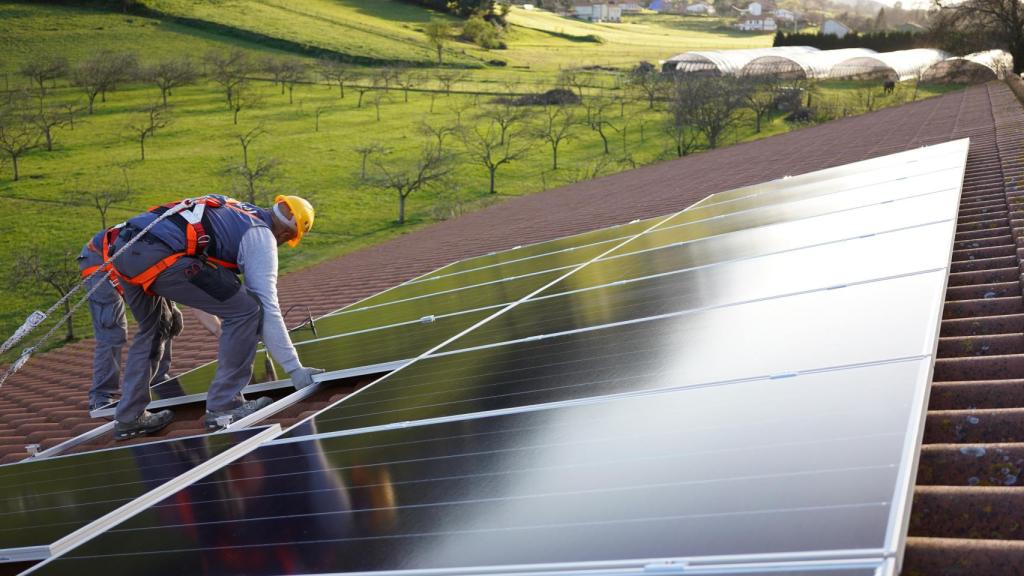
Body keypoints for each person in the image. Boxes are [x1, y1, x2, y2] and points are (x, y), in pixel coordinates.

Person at [108, 194, 324, 440]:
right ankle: (225, 406)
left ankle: (128, 417)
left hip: (123, 249)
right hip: (159, 255)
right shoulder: (261, 236)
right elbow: (266, 304)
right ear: (287, 236)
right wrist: (294, 368)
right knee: (246, 310)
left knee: (155, 327)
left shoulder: (238, 210)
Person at [77, 228, 181, 412]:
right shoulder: (167, 240)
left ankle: (158, 377)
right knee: (113, 331)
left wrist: (172, 308)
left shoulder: (176, 244)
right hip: (99, 260)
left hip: (130, 260)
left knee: (164, 317)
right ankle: (100, 396)